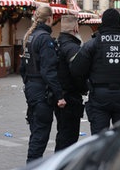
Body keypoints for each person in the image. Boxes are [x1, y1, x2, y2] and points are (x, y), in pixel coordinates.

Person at [70, 8, 120, 135]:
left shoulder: (93, 43)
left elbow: (76, 69)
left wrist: (86, 85)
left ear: (103, 22)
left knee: (99, 140)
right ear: (118, 23)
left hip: (99, 96)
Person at [20, 4, 66, 164]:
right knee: (40, 133)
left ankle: (32, 163)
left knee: (36, 129)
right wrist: (59, 96)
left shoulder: (29, 37)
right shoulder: (45, 39)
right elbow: (49, 71)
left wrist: (28, 85)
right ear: (50, 19)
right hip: (41, 91)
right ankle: (32, 165)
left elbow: (22, 68)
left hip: (31, 88)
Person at [54, 15, 87, 151]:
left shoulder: (57, 44)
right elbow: (79, 73)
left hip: (59, 96)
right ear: (76, 28)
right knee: (69, 136)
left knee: (62, 133)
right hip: (70, 97)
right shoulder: (72, 48)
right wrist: (85, 88)